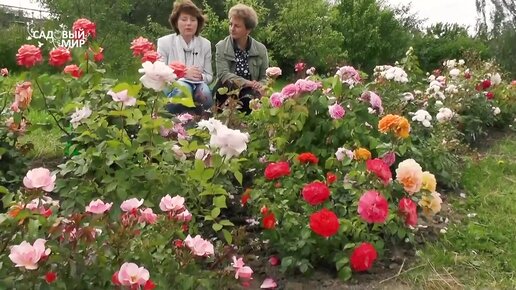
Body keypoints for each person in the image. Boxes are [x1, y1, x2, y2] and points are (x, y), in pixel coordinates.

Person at [157, 0, 213, 114]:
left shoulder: (205, 44)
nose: (189, 23)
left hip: (198, 84)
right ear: (176, 22)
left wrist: (200, 76)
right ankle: (177, 122)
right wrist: (182, 73)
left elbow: (209, 76)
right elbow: (159, 72)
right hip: (173, 84)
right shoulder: (164, 42)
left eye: (193, 20)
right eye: (184, 19)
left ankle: (202, 124)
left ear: (198, 23)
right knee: (184, 90)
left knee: (205, 94)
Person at [214, 4, 269, 114]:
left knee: (249, 99)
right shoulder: (221, 46)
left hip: (251, 91)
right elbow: (224, 74)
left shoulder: (260, 49)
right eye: (230, 24)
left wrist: (259, 85)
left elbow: (265, 76)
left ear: (248, 30)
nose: (232, 29)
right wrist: (248, 83)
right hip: (227, 89)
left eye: (237, 26)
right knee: (226, 85)